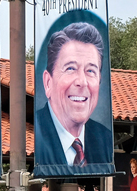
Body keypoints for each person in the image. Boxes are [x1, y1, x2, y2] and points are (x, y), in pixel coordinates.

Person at [33, 21, 114, 170]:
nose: (82, 82)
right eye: (70, 68)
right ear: (48, 82)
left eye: (90, 71)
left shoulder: (106, 140)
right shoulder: (32, 134)